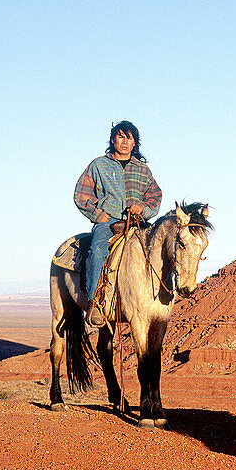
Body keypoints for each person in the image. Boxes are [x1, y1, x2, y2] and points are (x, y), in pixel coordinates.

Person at [73, 121, 162, 325]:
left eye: (129, 138)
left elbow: (155, 196)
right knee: (97, 250)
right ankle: (95, 303)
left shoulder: (143, 170)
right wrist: (97, 215)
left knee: (159, 249)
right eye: (120, 136)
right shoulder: (98, 165)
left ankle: (159, 299)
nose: (124, 141)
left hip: (137, 221)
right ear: (113, 139)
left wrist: (144, 208)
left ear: (134, 143)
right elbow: (81, 193)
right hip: (109, 220)